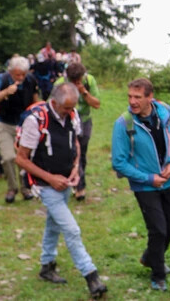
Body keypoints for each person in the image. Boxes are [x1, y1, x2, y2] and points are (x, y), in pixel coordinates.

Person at [14, 83, 108, 298]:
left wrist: (75, 169)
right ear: (54, 103)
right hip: (45, 185)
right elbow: (21, 158)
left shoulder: (72, 113)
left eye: (72, 107)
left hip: (66, 181)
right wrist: (50, 178)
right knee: (72, 230)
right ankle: (91, 276)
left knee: (54, 224)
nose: (70, 112)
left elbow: (75, 142)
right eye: (66, 108)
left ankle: (47, 266)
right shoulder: (35, 120)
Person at [111, 78, 170, 292]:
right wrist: (148, 178)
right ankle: (158, 274)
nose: (132, 101)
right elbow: (119, 162)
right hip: (145, 186)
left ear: (150, 97)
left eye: (137, 97)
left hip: (169, 179)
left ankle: (150, 257)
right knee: (158, 230)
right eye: (130, 97)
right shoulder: (124, 124)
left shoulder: (166, 112)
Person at [54, 62, 100, 201]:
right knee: (71, 152)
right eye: (72, 81)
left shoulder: (89, 81)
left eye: (77, 81)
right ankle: (79, 187)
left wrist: (83, 91)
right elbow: (52, 104)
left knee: (82, 154)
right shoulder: (60, 83)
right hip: (66, 121)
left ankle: (77, 182)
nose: (75, 83)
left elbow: (96, 104)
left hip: (84, 120)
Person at [0, 56, 39, 202]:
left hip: (24, 124)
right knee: (8, 157)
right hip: (4, 123)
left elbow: (35, 100)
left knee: (24, 158)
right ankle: (12, 188)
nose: (20, 77)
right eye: (17, 74)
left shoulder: (31, 80)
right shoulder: (2, 79)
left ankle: (25, 188)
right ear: (11, 72)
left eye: (23, 74)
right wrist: (6, 92)